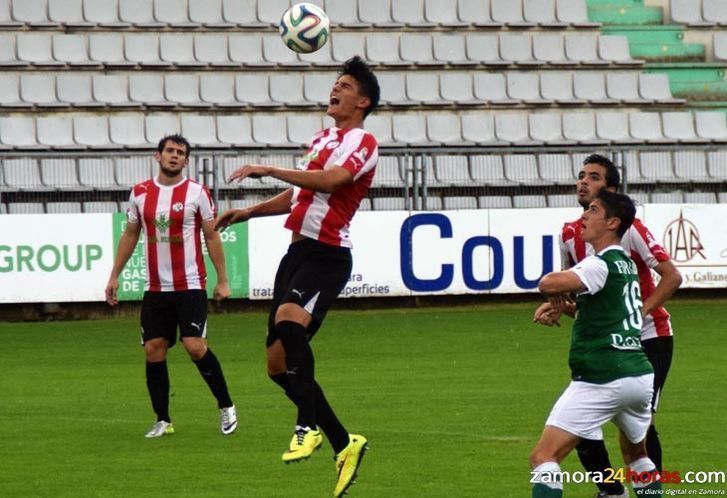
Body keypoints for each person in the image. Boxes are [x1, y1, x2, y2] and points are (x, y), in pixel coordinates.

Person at [215, 56, 380, 498]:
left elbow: (330, 181)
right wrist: (250, 210)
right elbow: (301, 192)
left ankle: (306, 424)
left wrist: (267, 167)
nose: (335, 89)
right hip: (298, 253)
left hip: (328, 255)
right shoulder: (323, 137)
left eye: (344, 85)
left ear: (362, 101)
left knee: (289, 322)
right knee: (274, 366)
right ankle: (345, 442)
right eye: (336, 82)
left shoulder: (364, 141)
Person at [534, 154, 681, 498]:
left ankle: (614, 492)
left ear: (610, 193)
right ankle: (612, 490)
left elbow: (671, 276)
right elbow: (586, 299)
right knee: (631, 450)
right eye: (581, 175)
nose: (584, 182)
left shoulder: (623, 234)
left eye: (594, 178)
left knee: (546, 454)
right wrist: (562, 307)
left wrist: (635, 315)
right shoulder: (572, 234)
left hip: (645, 340)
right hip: (626, 359)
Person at [105, 134, 237, 438]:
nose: (174, 156)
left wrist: (223, 279)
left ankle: (226, 405)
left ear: (186, 161)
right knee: (153, 349)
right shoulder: (139, 193)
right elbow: (130, 234)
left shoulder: (197, 192)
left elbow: (212, 235)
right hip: (155, 287)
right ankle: (163, 419)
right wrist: (115, 275)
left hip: (190, 284)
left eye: (180, 152)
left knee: (194, 346)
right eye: (170, 151)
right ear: (158, 156)